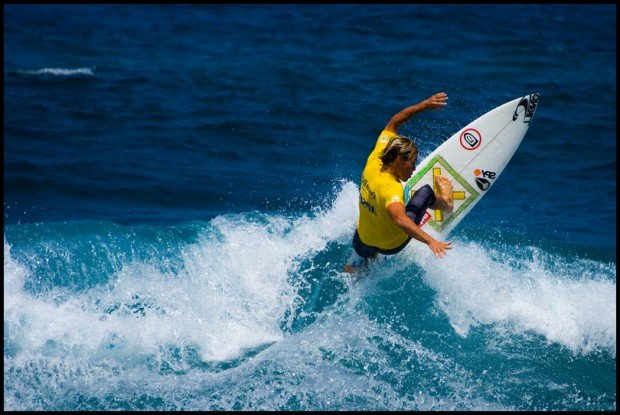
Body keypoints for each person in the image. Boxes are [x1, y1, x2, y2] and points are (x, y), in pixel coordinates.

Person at [344, 92, 454, 274]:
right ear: (398, 159)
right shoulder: (392, 188)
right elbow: (400, 219)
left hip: (362, 240)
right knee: (425, 191)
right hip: (392, 244)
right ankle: (445, 202)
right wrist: (431, 241)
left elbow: (393, 123)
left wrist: (424, 105)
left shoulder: (375, 159)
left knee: (365, 237)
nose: (414, 168)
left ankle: (360, 266)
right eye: (412, 162)